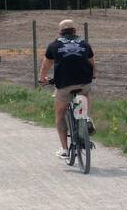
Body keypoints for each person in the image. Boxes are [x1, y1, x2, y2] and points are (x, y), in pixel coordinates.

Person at [40, 18, 96, 159]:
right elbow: (92, 64)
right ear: (75, 31)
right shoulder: (84, 43)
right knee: (87, 92)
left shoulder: (53, 45)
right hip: (84, 82)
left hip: (64, 84)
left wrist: (43, 78)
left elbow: (46, 66)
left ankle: (65, 149)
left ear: (60, 32)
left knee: (60, 116)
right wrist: (93, 75)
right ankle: (86, 117)